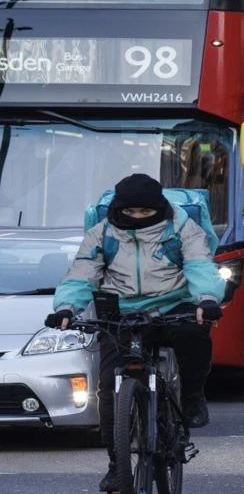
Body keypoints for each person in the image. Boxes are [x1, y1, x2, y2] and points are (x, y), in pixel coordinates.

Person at [46, 174, 224, 492]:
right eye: (131, 212)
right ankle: (117, 466)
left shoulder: (183, 228)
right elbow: (83, 272)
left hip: (173, 306)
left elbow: (200, 264)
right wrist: (67, 308)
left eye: (145, 212)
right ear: (119, 209)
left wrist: (207, 299)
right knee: (109, 387)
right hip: (122, 312)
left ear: (159, 208)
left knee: (195, 337)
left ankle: (193, 399)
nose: (138, 218)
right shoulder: (102, 234)